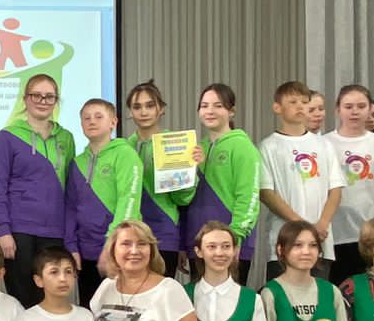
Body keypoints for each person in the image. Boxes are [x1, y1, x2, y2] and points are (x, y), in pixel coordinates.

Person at [0, 72, 75, 306]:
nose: (42, 101)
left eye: (49, 96)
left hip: (55, 233)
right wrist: (3, 230)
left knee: (52, 302)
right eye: (36, 95)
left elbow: (70, 192)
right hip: (19, 232)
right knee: (22, 301)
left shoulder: (66, 138)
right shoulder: (7, 136)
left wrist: (70, 236)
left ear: (56, 101)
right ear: (25, 99)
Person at [257, 81, 343, 279]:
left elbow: (336, 189)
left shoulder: (323, 145)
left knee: (319, 293)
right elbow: (266, 193)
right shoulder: (268, 147)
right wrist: (303, 226)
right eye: (293, 102)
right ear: (277, 107)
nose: (300, 107)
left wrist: (322, 223)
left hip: (320, 240)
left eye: (304, 102)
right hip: (285, 239)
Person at [63, 98, 142, 307]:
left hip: (116, 250)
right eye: (86, 118)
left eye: (99, 116)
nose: (92, 121)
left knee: (119, 312)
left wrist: (113, 243)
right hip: (85, 252)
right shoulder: (77, 163)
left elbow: (129, 199)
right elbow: (70, 207)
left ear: (113, 122)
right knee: (90, 309)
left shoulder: (125, 154)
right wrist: (71, 246)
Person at [181, 83, 261, 280]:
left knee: (232, 298)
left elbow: (249, 196)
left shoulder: (242, 146)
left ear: (231, 111)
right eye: (204, 106)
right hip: (199, 243)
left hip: (229, 244)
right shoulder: (196, 148)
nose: (210, 111)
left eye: (218, 105)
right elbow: (184, 200)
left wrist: (235, 238)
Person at [125, 80, 197, 277]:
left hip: (165, 233)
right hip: (130, 234)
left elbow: (183, 200)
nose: (143, 112)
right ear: (130, 112)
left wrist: (189, 172)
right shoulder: (123, 148)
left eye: (150, 105)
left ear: (161, 109)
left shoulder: (176, 145)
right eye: (137, 107)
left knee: (161, 293)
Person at [324, 84, 374, 287]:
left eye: (361, 106)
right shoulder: (324, 143)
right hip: (335, 231)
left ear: (370, 109)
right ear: (338, 109)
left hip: (370, 230)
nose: (354, 112)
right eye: (348, 106)